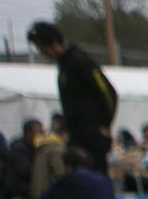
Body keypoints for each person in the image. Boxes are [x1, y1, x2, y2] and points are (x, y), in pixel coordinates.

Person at [25, 21, 117, 164]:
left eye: (41, 46)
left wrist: (106, 124)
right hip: (76, 139)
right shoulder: (63, 66)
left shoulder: (79, 61)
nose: (41, 51)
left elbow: (108, 92)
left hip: (93, 137)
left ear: (53, 43)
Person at [2, 119, 42, 199]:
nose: (41, 136)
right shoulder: (19, 149)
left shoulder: (33, 147)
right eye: (38, 132)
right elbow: (24, 170)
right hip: (21, 191)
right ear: (28, 133)